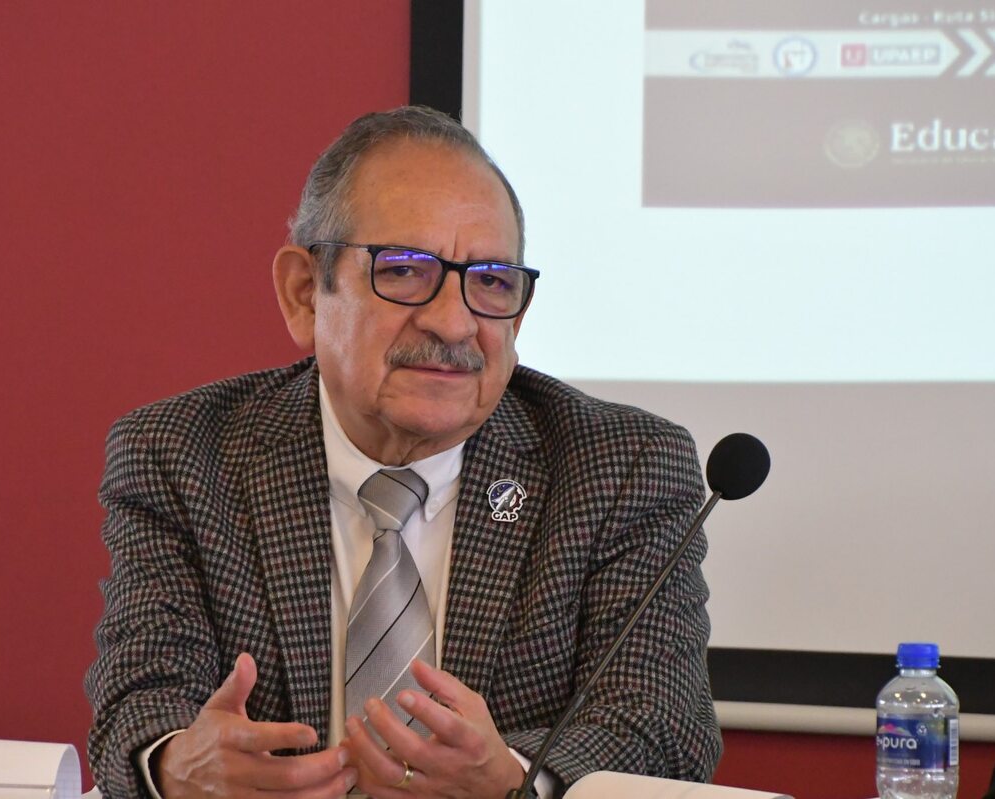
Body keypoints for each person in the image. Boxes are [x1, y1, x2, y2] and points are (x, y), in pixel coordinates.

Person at [85, 105, 721, 799]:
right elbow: (139, 701)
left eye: (491, 282)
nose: (454, 322)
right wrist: (178, 764)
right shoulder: (183, 455)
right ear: (305, 293)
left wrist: (513, 780)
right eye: (406, 270)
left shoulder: (619, 467)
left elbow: (664, 726)